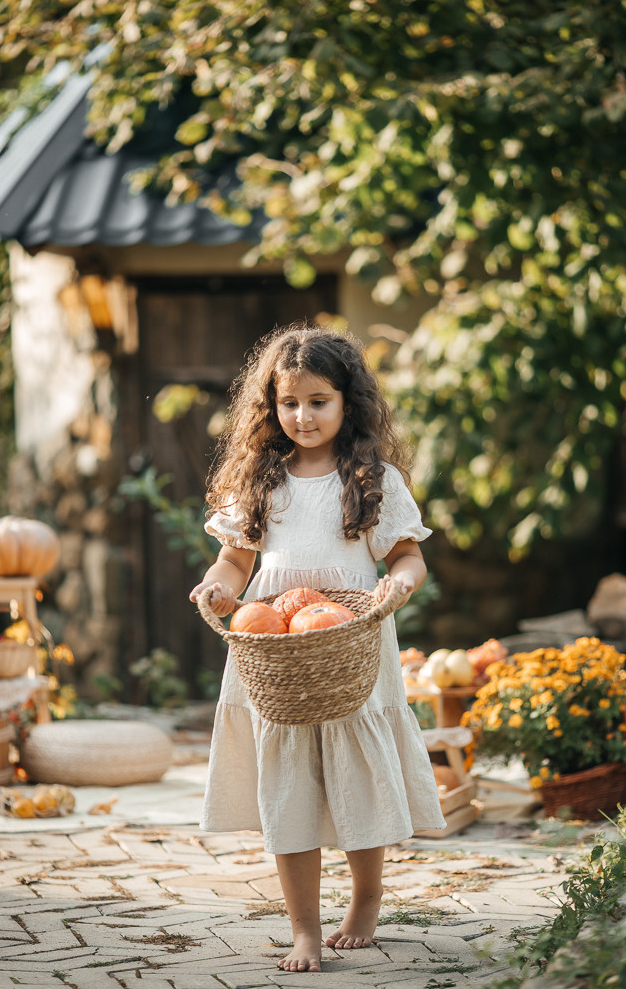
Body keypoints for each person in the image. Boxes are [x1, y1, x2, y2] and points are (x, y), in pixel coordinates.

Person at [190, 325, 445, 973]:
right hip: (275, 646)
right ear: (271, 407)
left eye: (318, 401)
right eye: (289, 403)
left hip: (351, 641)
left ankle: (365, 900)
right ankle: (303, 928)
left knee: (357, 772)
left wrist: (399, 583)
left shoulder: (372, 478)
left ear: (347, 403)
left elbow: (408, 556)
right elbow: (234, 560)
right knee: (287, 785)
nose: (302, 416)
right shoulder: (260, 479)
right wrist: (219, 588)